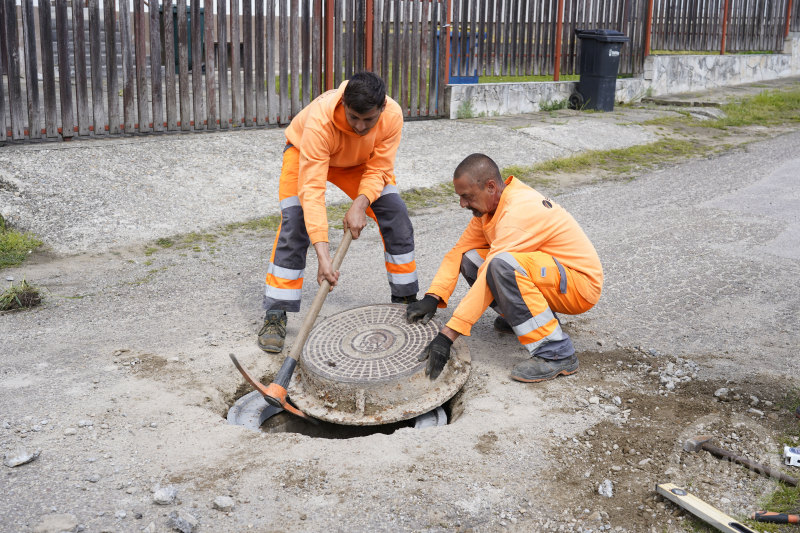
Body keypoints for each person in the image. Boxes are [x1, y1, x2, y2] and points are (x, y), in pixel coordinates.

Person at [406, 153, 603, 383]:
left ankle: (556, 353)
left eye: (467, 197)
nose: (462, 204)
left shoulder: (518, 211)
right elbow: (458, 251)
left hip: (579, 286)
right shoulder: (491, 209)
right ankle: (523, 320)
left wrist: (448, 335)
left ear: (490, 186)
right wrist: (433, 297)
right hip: (552, 277)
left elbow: (495, 268)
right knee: (470, 259)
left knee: (501, 265)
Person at [258, 72, 418, 353]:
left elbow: (380, 167)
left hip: (358, 164)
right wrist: (324, 256)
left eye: (369, 119)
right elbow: (312, 190)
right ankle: (276, 312)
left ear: (382, 108)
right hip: (305, 153)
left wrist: (361, 202)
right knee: (295, 221)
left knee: (395, 211)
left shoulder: (393, 116)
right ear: (343, 104)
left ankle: (405, 299)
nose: (360, 126)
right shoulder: (321, 120)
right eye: (354, 117)